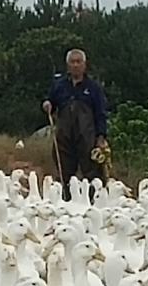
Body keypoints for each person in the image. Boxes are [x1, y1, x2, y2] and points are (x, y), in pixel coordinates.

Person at [43, 49, 108, 199]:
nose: (76, 65)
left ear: (84, 65)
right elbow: (50, 101)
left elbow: (101, 113)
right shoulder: (59, 86)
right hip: (64, 137)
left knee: (92, 173)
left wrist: (101, 137)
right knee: (64, 172)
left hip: (87, 138)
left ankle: (94, 201)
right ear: (68, 65)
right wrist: (47, 104)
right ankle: (66, 201)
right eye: (72, 62)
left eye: (79, 62)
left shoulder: (93, 87)